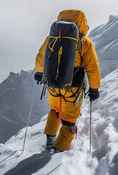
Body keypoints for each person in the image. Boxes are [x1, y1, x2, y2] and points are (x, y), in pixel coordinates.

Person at [34, 9, 101, 152]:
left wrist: (39, 73)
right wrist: (94, 89)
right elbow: (92, 68)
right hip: (72, 87)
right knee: (69, 120)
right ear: (81, 23)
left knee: (55, 111)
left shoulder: (52, 37)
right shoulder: (84, 42)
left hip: (52, 85)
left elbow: (41, 57)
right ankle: (59, 152)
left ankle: (50, 143)